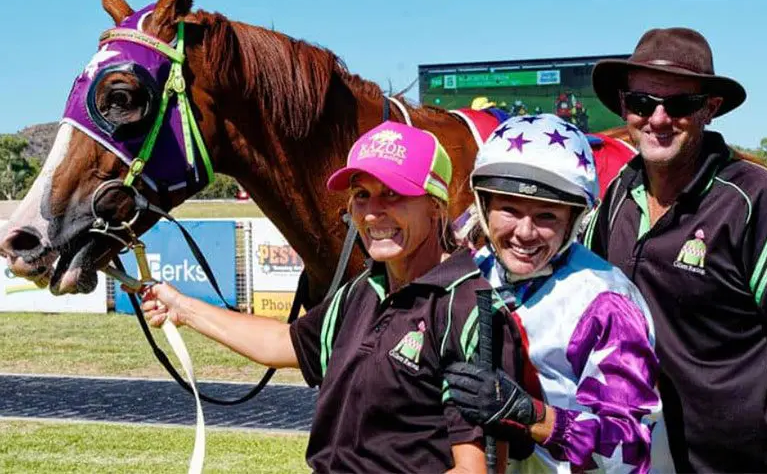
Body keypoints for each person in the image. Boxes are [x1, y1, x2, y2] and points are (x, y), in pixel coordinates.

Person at [143, 121, 520, 473]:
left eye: (393, 193)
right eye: (361, 195)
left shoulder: (470, 308)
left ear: (436, 205)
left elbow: (475, 469)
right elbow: (283, 343)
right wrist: (182, 307)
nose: (373, 213)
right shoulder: (363, 289)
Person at [583, 27, 767, 472]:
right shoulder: (619, 193)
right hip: (644, 461)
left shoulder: (753, 199)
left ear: (710, 110)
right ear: (625, 106)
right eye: (642, 103)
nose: (658, 119)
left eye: (679, 104)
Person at [442, 114, 670, 472]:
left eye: (547, 215)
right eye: (510, 210)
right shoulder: (472, 272)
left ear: (574, 219)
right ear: (484, 206)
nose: (525, 233)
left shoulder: (606, 302)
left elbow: (628, 445)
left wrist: (534, 416)